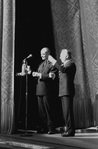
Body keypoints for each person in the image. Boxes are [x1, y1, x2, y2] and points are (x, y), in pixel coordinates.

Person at [48, 49, 76, 137]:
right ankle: (68, 129)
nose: (60, 57)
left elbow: (63, 70)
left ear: (67, 56)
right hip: (63, 91)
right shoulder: (64, 64)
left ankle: (71, 130)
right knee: (65, 112)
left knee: (68, 112)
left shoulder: (71, 63)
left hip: (67, 90)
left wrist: (54, 61)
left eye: (61, 55)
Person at [32, 47, 58, 134]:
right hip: (39, 89)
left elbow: (52, 77)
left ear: (48, 54)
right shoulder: (41, 64)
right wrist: (32, 73)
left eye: (43, 54)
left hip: (47, 90)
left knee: (48, 110)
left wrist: (40, 75)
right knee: (41, 111)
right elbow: (38, 74)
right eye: (41, 54)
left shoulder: (53, 64)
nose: (41, 56)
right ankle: (44, 127)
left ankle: (51, 128)